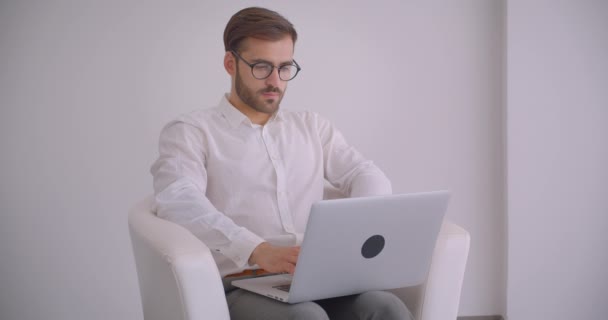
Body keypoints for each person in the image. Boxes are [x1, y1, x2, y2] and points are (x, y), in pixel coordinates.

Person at [150, 6, 413, 320]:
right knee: (306, 317)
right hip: (241, 283)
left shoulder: (311, 126)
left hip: (319, 280)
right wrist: (257, 249)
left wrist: (357, 230)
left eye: (284, 67)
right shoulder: (192, 131)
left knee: (387, 308)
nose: (275, 80)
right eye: (261, 67)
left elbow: (364, 172)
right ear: (230, 63)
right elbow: (178, 200)